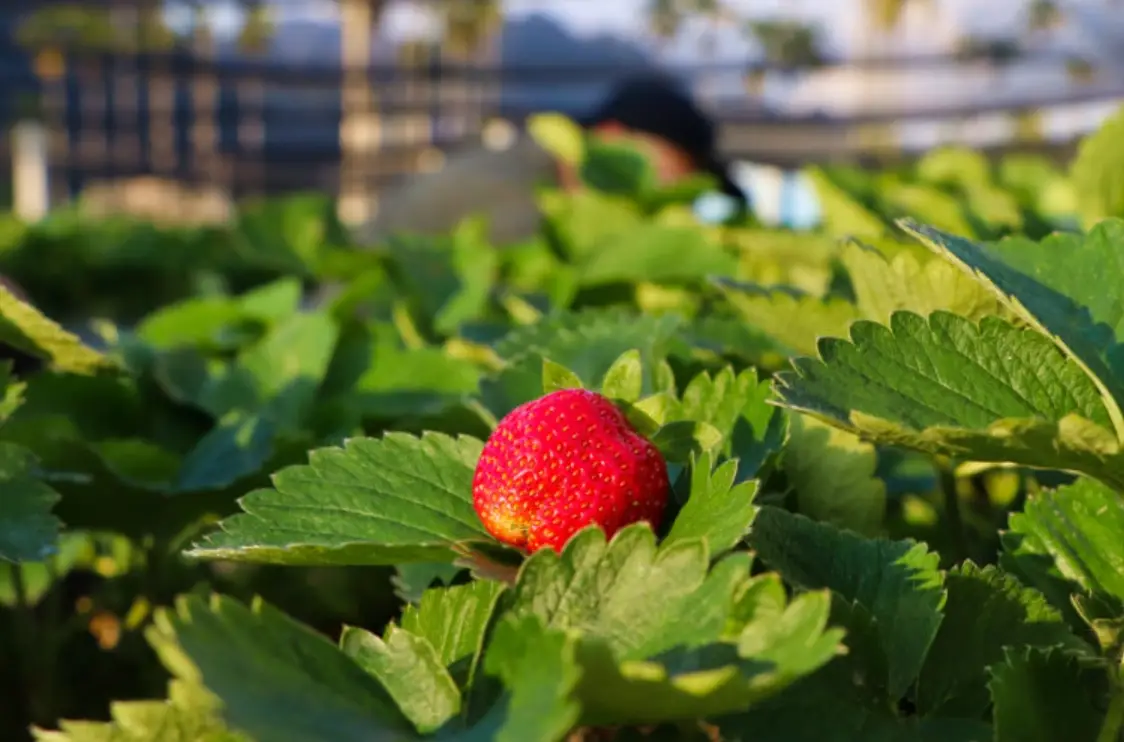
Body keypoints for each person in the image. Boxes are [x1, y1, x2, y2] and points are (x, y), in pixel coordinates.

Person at [352, 71, 749, 248]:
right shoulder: (512, 198)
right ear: (610, 141)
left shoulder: (533, 175)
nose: (678, 197)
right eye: (672, 175)